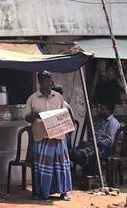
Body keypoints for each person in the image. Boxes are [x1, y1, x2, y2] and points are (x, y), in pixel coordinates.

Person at [25, 71, 72, 200]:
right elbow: (27, 118)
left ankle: (64, 192)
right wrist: (36, 116)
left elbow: (65, 114)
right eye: (47, 80)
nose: (50, 83)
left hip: (58, 136)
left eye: (51, 80)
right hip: (42, 137)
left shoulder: (58, 97)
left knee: (61, 166)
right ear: (40, 81)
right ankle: (44, 193)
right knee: (44, 167)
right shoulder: (32, 99)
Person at [73, 101, 120, 176]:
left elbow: (109, 142)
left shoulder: (113, 123)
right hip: (97, 146)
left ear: (109, 110)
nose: (100, 111)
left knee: (77, 154)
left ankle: (90, 173)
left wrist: (96, 141)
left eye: (102, 109)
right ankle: (89, 172)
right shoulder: (105, 122)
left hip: (103, 149)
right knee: (74, 150)